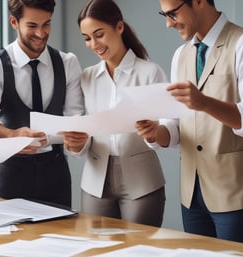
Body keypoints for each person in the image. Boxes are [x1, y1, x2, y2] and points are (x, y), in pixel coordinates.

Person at [136, 0, 243, 245]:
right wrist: (154, 133)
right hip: (191, 194)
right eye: (164, 14)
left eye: (172, 13)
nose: (168, 23)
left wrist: (204, 103)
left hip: (233, 190)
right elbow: (174, 127)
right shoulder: (180, 55)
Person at [61, 0, 166, 226]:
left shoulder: (150, 72)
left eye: (99, 34)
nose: (93, 44)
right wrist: (77, 142)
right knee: (96, 249)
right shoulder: (86, 77)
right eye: (87, 38)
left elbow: (164, 134)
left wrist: (152, 133)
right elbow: (83, 136)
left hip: (142, 182)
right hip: (94, 182)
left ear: (119, 27)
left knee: (140, 250)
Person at [0, 0, 84, 208]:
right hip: (9, 176)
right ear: (14, 22)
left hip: (56, 178)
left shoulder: (68, 63)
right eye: (32, 26)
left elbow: (75, 116)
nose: (41, 33)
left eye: (46, 24)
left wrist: (76, 137)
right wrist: (11, 135)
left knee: (60, 239)